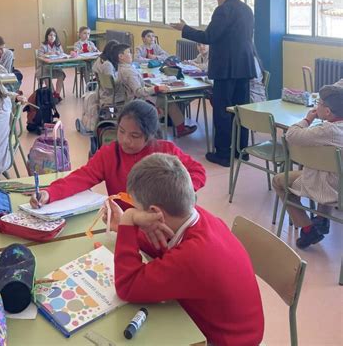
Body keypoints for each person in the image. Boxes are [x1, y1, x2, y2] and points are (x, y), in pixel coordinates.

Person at [110, 153, 264, 346]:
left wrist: (128, 220)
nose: (134, 211)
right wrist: (127, 230)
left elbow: (126, 286)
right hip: (233, 327)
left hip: (227, 341)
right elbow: (165, 248)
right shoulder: (198, 217)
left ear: (155, 213)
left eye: (136, 207)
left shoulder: (193, 256)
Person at [29, 99, 206, 209]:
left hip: (160, 225)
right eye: (121, 131)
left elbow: (198, 172)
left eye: (135, 136)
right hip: (124, 224)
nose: (125, 140)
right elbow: (81, 177)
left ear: (150, 135)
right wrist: (49, 192)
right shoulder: (110, 153)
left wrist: (176, 193)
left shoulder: (165, 150)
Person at [172, 0, 256, 166]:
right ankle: (241, 150)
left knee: (223, 111)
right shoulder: (247, 9)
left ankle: (224, 154)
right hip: (244, 66)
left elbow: (209, 36)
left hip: (226, 68)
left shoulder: (223, 10)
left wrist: (185, 29)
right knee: (241, 110)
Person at [272, 84, 343, 249]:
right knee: (328, 169)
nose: (316, 105)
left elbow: (291, 135)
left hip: (330, 188)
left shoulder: (326, 131)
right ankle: (322, 219)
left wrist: (307, 119)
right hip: (338, 181)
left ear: (327, 112)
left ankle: (308, 228)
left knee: (278, 181)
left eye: (319, 103)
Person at [112, 44, 196, 137]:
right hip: (139, 100)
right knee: (170, 102)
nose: (131, 54)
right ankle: (180, 129)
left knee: (163, 96)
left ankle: (173, 124)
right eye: (128, 52)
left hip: (131, 99)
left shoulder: (122, 68)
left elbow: (133, 79)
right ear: (121, 56)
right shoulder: (129, 71)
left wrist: (145, 76)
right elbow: (139, 91)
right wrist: (157, 88)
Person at [36, 27, 66, 101]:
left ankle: (57, 94)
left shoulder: (58, 45)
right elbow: (39, 55)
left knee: (61, 75)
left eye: (54, 35)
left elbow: (62, 54)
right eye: (50, 35)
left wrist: (59, 53)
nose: (52, 37)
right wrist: (47, 53)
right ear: (47, 36)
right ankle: (52, 93)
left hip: (55, 68)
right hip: (43, 68)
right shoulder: (43, 45)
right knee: (46, 76)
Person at [92, 40, 124, 108]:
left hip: (102, 91)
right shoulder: (107, 65)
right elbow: (112, 83)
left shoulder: (100, 59)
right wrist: (123, 77)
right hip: (110, 94)